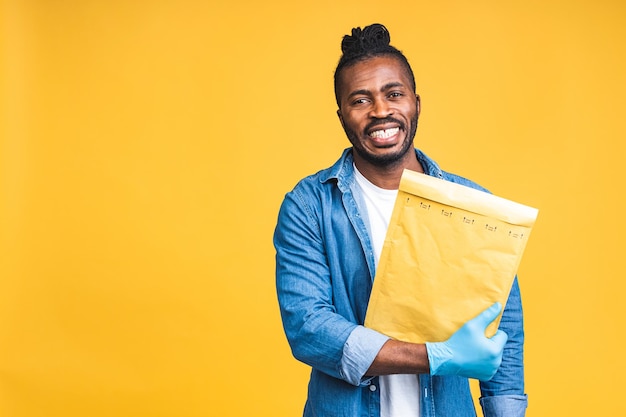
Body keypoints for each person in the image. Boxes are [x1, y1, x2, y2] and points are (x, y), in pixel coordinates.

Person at [274, 23, 527, 417]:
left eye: (394, 94)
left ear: (416, 102)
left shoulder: (472, 204)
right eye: (360, 100)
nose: (380, 111)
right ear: (342, 115)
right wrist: (435, 356)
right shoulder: (309, 205)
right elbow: (309, 328)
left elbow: (503, 329)